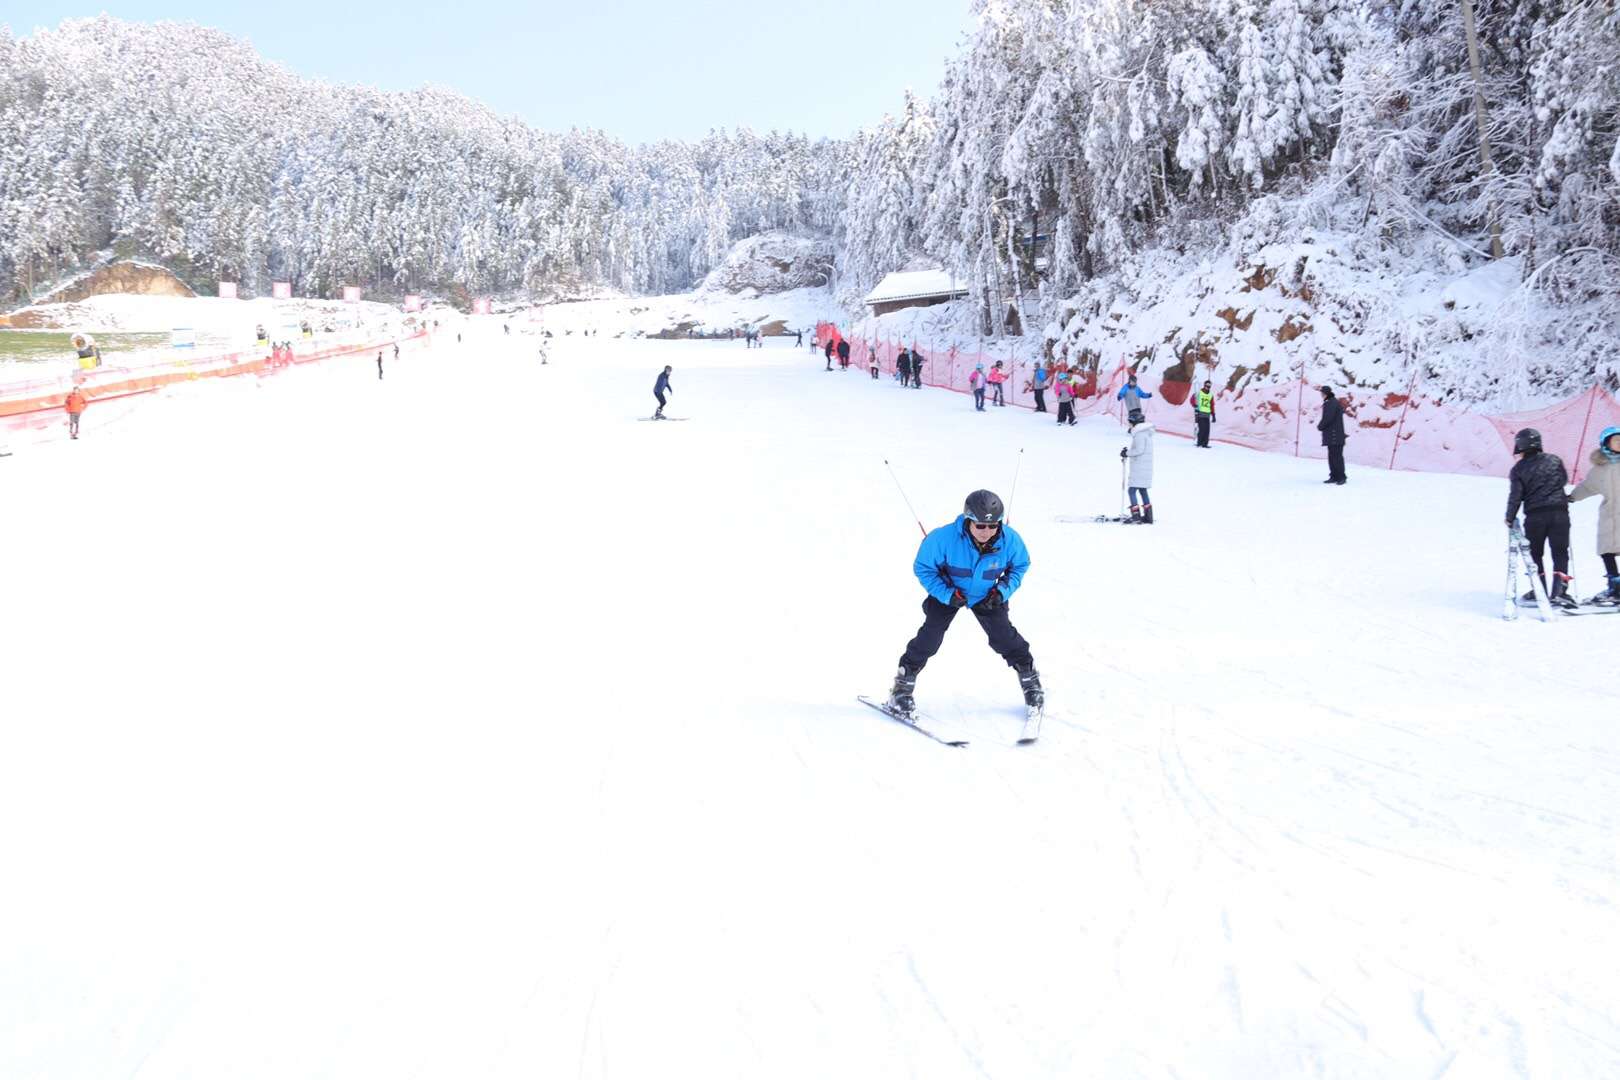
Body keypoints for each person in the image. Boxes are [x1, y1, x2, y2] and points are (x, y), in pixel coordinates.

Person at [885, 489, 1043, 717]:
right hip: (949, 591)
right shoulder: (942, 539)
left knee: (1004, 637)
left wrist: (1002, 591)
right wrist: (947, 594)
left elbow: (1020, 565)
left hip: (988, 594)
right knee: (930, 637)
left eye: (993, 526)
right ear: (968, 520)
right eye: (980, 525)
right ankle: (901, 687)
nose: (986, 532)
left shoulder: (1011, 540)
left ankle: (1031, 682)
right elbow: (923, 568)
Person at [1506, 427, 1574, 606]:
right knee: (1560, 551)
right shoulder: (1554, 460)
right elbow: (1563, 480)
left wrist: (1509, 517)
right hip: (1559, 512)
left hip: (1535, 516)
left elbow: (1516, 496)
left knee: (1535, 553)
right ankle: (1560, 590)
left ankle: (1539, 589)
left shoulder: (1518, 469)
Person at [1569, 426, 1620, 603]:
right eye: (1616, 440)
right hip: (1609, 516)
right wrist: (1571, 497)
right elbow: (1588, 487)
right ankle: (1615, 588)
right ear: (1606, 444)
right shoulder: (1600, 469)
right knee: (1607, 551)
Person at [1122, 408, 1155, 523]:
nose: (1129, 425)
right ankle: (1148, 515)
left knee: (1132, 490)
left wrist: (1127, 453)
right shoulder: (1145, 433)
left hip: (1140, 467)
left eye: (1130, 422)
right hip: (1143, 467)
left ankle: (1135, 515)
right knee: (1142, 490)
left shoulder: (1140, 434)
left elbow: (1139, 450)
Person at [1317, 385, 1347, 484]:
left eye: (1322, 393)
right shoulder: (1330, 402)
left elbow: (1328, 418)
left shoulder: (1332, 403)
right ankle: (1334, 476)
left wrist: (1320, 426)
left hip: (1335, 436)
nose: (1321, 394)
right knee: (1332, 456)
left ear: (1325, 393)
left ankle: (1341, 477)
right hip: (1332, 436)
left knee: (1337, 457)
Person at [1193, 379, 1216, 448]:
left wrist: (1213, 415)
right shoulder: (1199, 393)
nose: (1208, 387)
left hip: (1207, 414)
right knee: (1202, 429)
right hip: (1200, 413)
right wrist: (1195, 406)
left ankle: (1205, 444)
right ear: (1204, 385)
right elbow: (1192, 400)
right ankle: (1199, 443)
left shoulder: (1211, 395)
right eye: (1207, 385)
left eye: (1209, 386)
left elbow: (1212, 405)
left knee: (1207, 430)